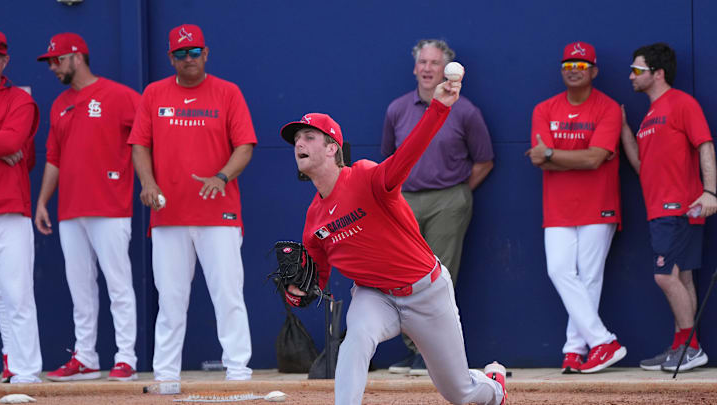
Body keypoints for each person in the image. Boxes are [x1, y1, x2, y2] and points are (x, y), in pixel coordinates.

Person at [280, 77, 506, 405]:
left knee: (461, 393)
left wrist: (439, 107)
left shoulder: (366, 178)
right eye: (297, 139)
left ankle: (495, 385)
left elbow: (408, 153)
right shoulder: (314, 221)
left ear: (332, 148)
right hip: (375, 297)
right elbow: (318, 278)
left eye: (309, 136)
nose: (299, 143)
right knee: (355, 339)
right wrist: (298, 292)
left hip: (426, 292)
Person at [129, 24, 256, 381]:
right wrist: (147, 182)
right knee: (170, 302)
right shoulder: (153, 94)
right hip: (168, 215)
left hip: (220, 215)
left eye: (195, 52)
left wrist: (222, 177)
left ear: (206, 53)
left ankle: (238, 370)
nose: (189, 59)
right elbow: (140, 144)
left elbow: (244, 145)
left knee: (228, 296)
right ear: (171, 57)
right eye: (182, 53)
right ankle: (165, 375)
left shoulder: (227, 92)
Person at [381, 39, 494, 375]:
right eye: (424, 62)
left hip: (449, 200)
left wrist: (457, 194)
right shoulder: (397, 109)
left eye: (435, 63)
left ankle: (433, 357)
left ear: (447, 70)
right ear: (415, 68)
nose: (428, 69)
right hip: (404, 202)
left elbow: (484, 160)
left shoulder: (466, 110)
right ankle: (416, 351)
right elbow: (390, 159)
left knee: (437, 278)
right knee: (403, 276)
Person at [35, 33, 140, 381]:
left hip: (110, 207)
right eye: (50, 61)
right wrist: (42, 202)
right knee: (80, 287)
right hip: (70, 210)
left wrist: (152, 180)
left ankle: (126, 357)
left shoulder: (120, 96)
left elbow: (147, 138)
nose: (53, 67)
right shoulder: (59, 103)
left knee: (118, 284)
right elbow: (54, 158)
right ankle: (86, 357)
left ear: (77, 57)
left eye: (57, 60)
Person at [525, 42, 627, 374]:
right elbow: (541, 160)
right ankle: (603, 342)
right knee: (560, 271)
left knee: (589, 277)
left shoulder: (609, 107)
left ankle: (574, 349)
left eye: (582, 66)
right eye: (569, 64)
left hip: (599, 204)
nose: (574, 69)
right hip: (557, 206)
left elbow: (596, 157)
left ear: (594, 71)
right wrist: (573, 159)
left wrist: (555, 155)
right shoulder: (544, 109)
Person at [621, 42, 715, 372]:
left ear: (657, 73)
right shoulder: (649, 115)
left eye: (637, 70)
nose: (630, 76)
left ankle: (690, 347)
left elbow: (705, 144)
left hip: (678, 207)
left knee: (665, 277)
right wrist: (623, 130)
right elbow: (641, 166)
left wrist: (711, 192)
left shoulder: (681, 104)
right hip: (660, 208)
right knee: (682, 277)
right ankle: (681, 346)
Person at [0, 29, 42, 384]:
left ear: (5, 60)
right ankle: (11, 361)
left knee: (17, 292)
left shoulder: (19, 100)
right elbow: (3, 142)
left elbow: (12, 140)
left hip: (10, 208)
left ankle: (26, 372)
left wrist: (5, 143)